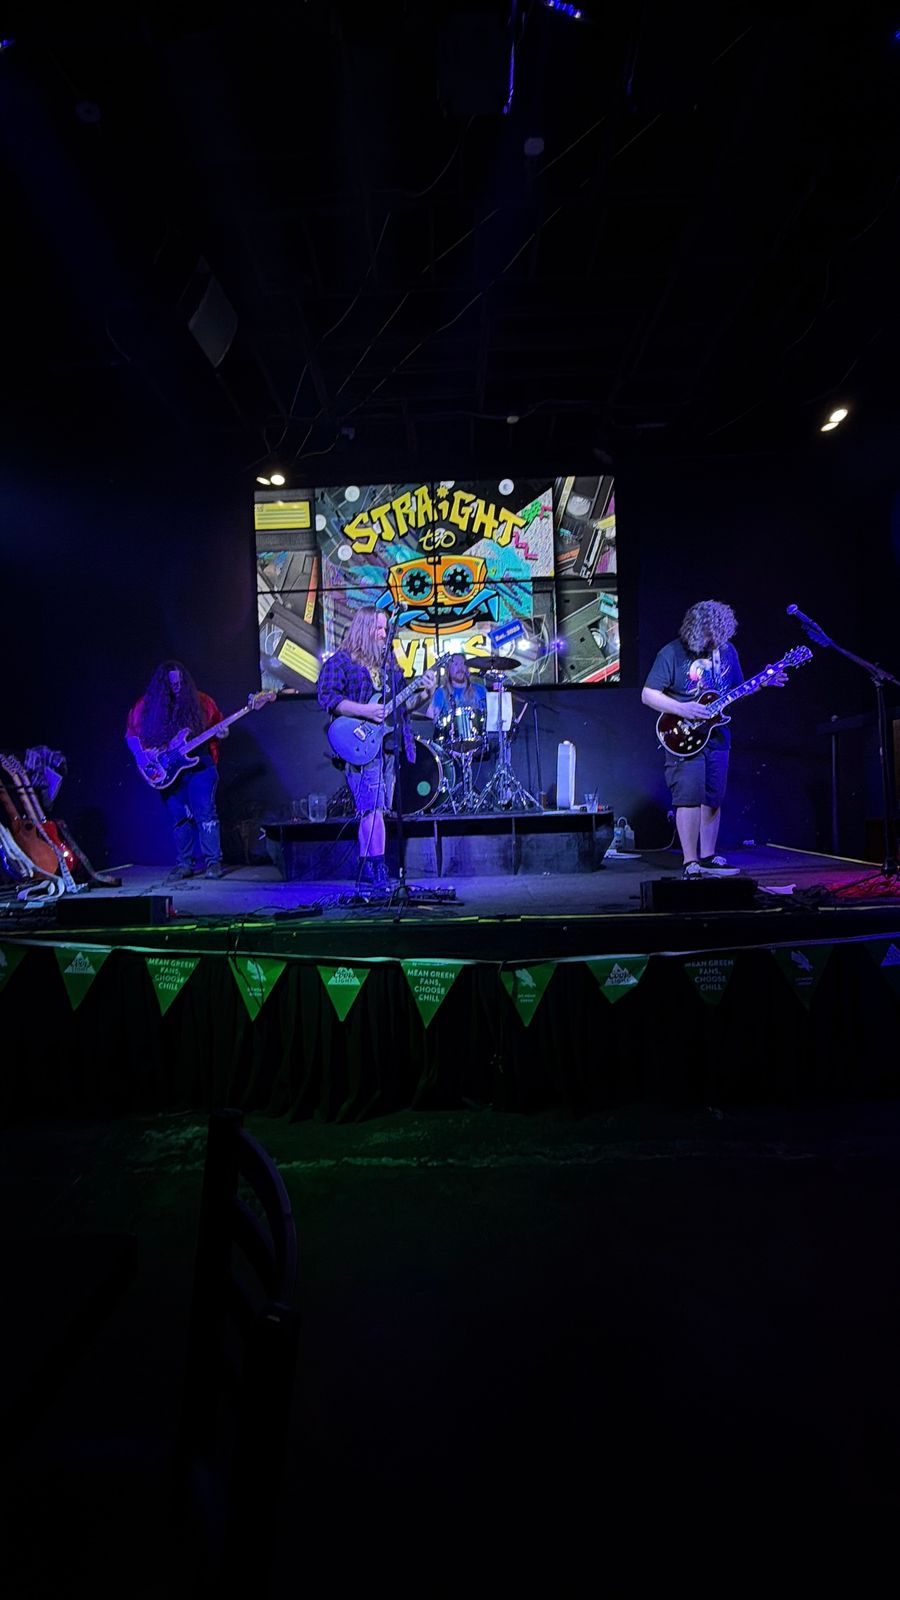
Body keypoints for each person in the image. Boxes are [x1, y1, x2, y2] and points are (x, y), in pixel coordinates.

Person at [641, 599, 787, 879]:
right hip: (683, 734)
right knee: (688, 797)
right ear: (696, 629)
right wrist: (683, 709)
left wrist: (762, 683)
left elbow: (737, 691)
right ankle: (690, 860)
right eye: (710, 634)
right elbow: (648, 695)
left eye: (720, 634)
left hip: (717, 736)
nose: (715, 640)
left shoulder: (728, 651)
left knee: (713, 797)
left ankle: (708, 856)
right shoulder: (672, 652)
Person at [317, 607, 435, 886]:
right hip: (360, 743)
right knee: (372, 808)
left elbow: (402, 707)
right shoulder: (342, 661)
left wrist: (427, 692)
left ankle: (367, 866)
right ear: (363, 629)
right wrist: (365, 710)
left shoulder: (389, 665)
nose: (384, 634)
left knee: (373, 809)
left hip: (387, 744)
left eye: (385, 628)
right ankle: (378, 867)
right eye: (379, 628)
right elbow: (327, 697)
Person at [126, 660, 227, 881]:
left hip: (200, 763)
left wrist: (222, 732)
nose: (177, 687)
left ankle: (213, 863)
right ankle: (184, 864)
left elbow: (219, 726)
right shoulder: (146, 705)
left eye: (180, 683)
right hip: (168, 768)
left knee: (206, 813)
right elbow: (131, 736)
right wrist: (143, 757)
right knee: (179, 817)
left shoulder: (202, 701)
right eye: (172, 684)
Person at [430, 653, 488, 751]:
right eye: (456, 664)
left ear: (467, 668)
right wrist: (437, 718)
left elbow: (491, 717)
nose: (460, 668)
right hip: (451, 747)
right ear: (448, 670)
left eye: (463, 664)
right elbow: (431, 716)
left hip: (479, 746)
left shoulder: (480, 690)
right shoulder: (441, 692)